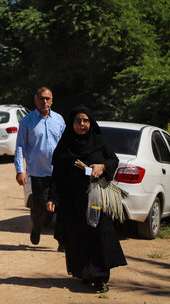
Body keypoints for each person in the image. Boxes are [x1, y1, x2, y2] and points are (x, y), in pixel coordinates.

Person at [46, 106, 126, 293]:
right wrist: (52, 198)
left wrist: (103, 166)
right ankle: (84, 273)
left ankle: (100, 278)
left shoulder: (100, 142)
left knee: (99, 237)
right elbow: (57, 175)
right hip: (73, 202)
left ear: (91, 122)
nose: (82, 124)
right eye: (78, 121)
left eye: (86, 120)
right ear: (72, 123)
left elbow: (113, 160)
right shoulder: (65, 146)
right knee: (77, 238)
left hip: (96, 199)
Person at [15, 87, 65, 246]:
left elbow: (65, 145)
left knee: (62, 206)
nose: (45, 102)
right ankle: (37, 227)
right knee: (40, 207)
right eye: (42, 98)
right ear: (35, 100)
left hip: (58, 172)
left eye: (47, 99)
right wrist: (19, 170)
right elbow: (20, 147)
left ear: (52, 100)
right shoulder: (27, 121)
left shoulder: (59, 119)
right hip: (38, 173)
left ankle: (62, 240)